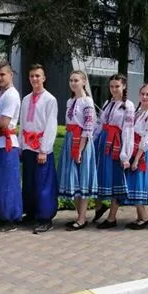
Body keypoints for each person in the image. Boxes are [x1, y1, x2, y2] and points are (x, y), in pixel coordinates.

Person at [19, 64, 59, 234]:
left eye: (37, 76)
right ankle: (31, 213)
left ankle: (45, 218)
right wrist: (21, 145)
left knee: (43, 183)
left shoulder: (50, 99)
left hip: (41, 147)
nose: (34, 79)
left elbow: (51, 125)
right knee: (29, 182)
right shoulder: (25, 99)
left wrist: (44, 149)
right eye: (32, 76)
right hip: (28, 146)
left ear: (44, 78)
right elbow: (22, 123)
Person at [92, 73, 135, 229]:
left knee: (116, 178)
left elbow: (128, 130)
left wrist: (125, 155)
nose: (114, 89)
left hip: (116, 143)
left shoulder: (128, 106)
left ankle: (112, 218)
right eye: (111, 86)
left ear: (124, 86)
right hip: (103, 142)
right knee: (100, 176)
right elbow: (100, 123)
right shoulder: (107, 103)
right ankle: (99, 207)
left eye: (117, 86)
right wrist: (93, 139)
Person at [58, 70, 98, 230]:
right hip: (70, 139)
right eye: (71, 80)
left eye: (76, 80)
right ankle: (80, 215)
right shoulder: (70, 101)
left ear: (84, 82)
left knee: (82, 178)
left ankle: (82, 219)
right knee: (72, 178)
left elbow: (88, 127)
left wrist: (80, 150)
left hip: (82, 141)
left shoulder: (87, 101)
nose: (73, 83)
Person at [0, 60, 23, 234]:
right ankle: (0, 216)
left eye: (3, 74)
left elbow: (3, 122)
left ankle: (10, 219)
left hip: (6, 145)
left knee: (7, 183)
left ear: (11, 75)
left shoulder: (11, 95)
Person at [123, 83, 148, 230]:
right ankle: (140, 216)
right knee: (134, 183)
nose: (144, 97)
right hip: (133, 148)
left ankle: (144, 217)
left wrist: (137, 158)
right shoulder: (138, 112)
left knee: (138, 183)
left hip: (141, 152)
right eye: (143, 94)